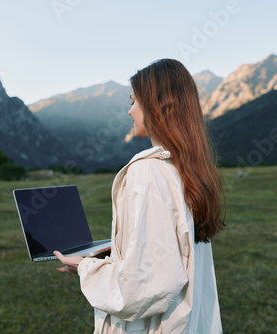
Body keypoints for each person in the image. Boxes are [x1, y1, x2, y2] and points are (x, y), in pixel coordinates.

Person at [54, 59, 225, 333]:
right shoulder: (188, 169)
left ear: (159, 106)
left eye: (134, 101)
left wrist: (87, 268)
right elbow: (168, 253)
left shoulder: (147, 170)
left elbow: (147, 285)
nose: (129, 111)